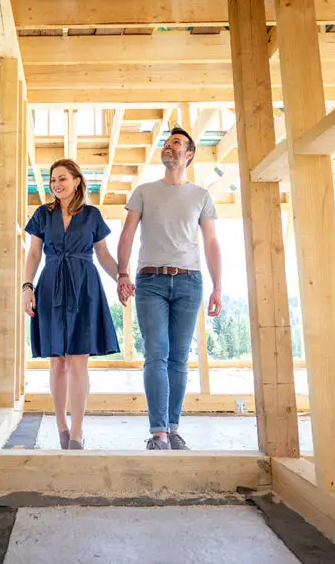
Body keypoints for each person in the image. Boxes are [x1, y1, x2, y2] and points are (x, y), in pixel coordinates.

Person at [116, 127, 223, 450]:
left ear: (188, 154)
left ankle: (173, 429)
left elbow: (212, 242)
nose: (168, 147)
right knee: (156, 353)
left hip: (190, 281)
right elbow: (127, 234)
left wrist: (218, 287)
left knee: (178, 357)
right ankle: (158, 433)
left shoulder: (201, 195)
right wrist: (122, 274)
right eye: (166, 143)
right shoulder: (145, 191)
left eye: (175, 143)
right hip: (150, 282)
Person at [23, 159, 122, 450]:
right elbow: (33, 254)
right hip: (51, 283)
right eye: (53, 179)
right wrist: (27, 287)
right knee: (58, 361)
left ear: (77, 181)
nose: (57, 184)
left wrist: (122, 278)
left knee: (78, 360)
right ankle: (61, 427)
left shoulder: (92, 215)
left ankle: (77, 433)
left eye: (63, 178)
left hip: (84, 286)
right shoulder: (43, 214)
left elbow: (103, 255)